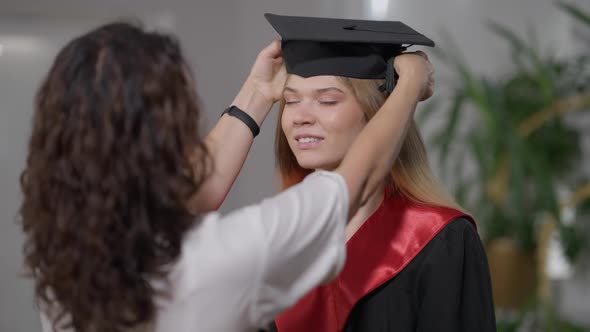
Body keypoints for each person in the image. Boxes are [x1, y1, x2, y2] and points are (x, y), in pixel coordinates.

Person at [19, 17, 434, 332]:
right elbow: (357, 180)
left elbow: (198, 187)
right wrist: (409, 85)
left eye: (326, 100)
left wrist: (257, 92)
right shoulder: (218, 261)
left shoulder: (61, 272)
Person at [264, 13, 497, 332]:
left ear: (376, 112)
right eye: (290, 101)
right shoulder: (280, 238)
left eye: (327, 100)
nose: (300, 117)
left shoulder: (440, 240)